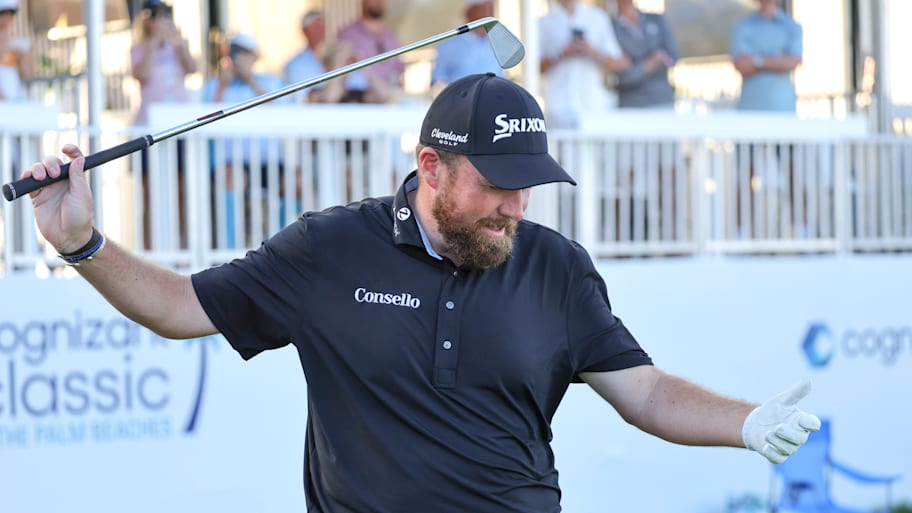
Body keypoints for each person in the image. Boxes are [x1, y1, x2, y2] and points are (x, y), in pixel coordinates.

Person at [22, 73, 821, 513]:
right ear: (430, 166)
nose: (517, 206)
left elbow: (643, 391)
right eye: (497, 185)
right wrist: (83, 244)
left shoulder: (556, 265)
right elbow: (178, 307)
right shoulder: (329, 249)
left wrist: (744, 422)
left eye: (530, 186)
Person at [202, 33, 286, 248]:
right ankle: (230, 248)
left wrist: (250, 79)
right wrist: (222, 86)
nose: (240, 57)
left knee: (294, 183)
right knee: (233, 179)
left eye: (246, 52)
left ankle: (282, 245)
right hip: (231, 163)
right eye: (236, 51)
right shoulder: (215, 84)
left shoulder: (271, 81)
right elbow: (205, 121)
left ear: (256, 56)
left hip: (269, 161)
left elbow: (280, 114)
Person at [130, 0, 197, 249]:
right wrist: (152, 41)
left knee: (182, 189)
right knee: (149, 192)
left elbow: (193, 68)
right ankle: (149, 249)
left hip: (179, 125)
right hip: (149, 126)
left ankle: (185, 247)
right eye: (155, 14)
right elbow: (142, 74)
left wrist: (177, 42)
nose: (160, 19)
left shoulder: (177, 44)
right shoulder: (139, 47)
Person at [538, 0, 630, 128]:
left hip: (593, 105)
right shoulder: (544, 23)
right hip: (558, 108)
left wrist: (593, 53)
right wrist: (561, 55)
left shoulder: (597, 18)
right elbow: (534, 68)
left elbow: (620, 63)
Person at [283, 10, 380, 104]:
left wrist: (361, 62)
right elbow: (313, 99)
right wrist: (338, 64)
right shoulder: (295, 65)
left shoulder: (337, 56)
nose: (321, 30)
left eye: (324, 26)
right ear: (305, 30)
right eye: (316, 26)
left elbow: (381, 95)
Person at [730, 0, 803, 112]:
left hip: (783, 108)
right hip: (750, 108)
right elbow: (742, 65)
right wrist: (777, 62)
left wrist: (756, 61)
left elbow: (792, 62)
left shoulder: (793, 27)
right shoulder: (742, 27)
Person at [611, 0, 680, 109]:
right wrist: (649, 64)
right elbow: (622, 76)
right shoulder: (611, 28)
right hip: (631, 105)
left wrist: (635, 67)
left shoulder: (655, 19)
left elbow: (672, 58)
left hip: (663, 101)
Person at [335, 0, 403, 103]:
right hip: (358, 101)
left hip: (388, 100)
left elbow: (398, 70)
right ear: (363, 2)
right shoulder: (347, 34)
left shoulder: (391, 36)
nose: (378, 2)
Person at [430, 0, 504, 90]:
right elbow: (437, 80)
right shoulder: (450, 45)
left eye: (490, 11)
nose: (487, 15)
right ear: (469, 13)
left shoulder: (498, 42)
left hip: (494, 99)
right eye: (482, 11)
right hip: (460, 101)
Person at [0, 0, 31, 102]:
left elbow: (26, 74)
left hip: (12, 102)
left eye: (10, 15)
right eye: (3, 14)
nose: (6, 19)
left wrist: (24, 59)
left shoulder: (15, 45)